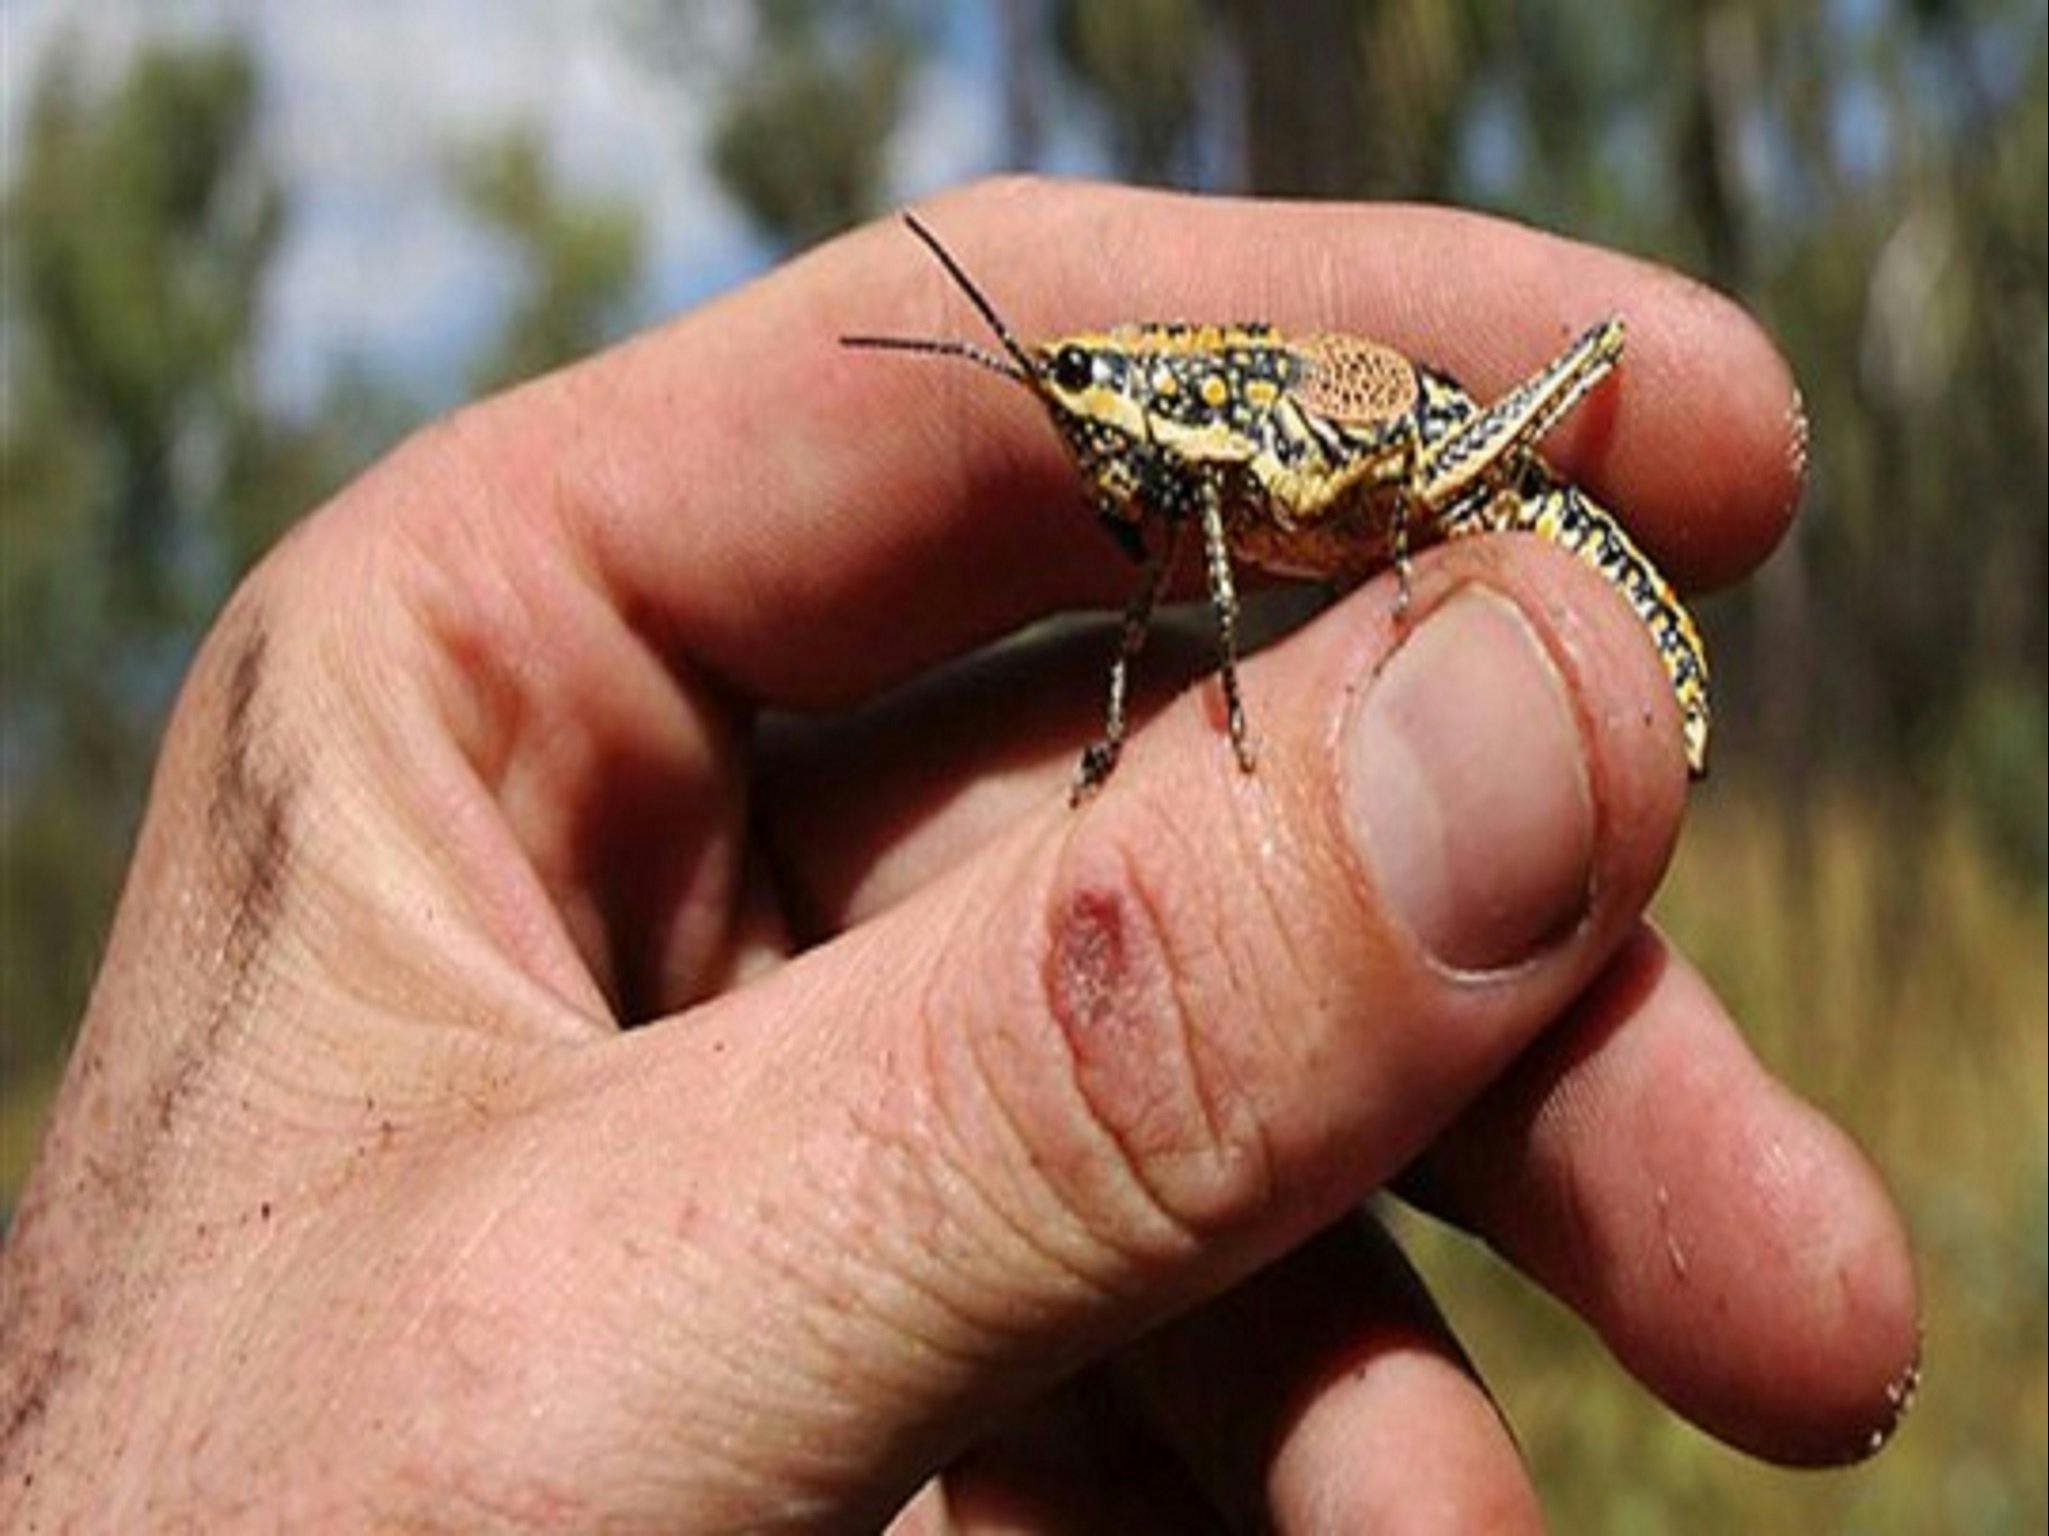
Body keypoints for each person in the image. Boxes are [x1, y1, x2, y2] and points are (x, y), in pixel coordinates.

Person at [0, 179, 1916, 1531]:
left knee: (1559, 394)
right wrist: (1130, 730)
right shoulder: (1161, 484)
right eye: (1078, 415)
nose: (1088, 445)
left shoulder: (1228, 449)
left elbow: (1269, 502)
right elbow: (1174, 559)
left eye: (1092, 409)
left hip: (1475, 502)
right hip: (1388, 545)